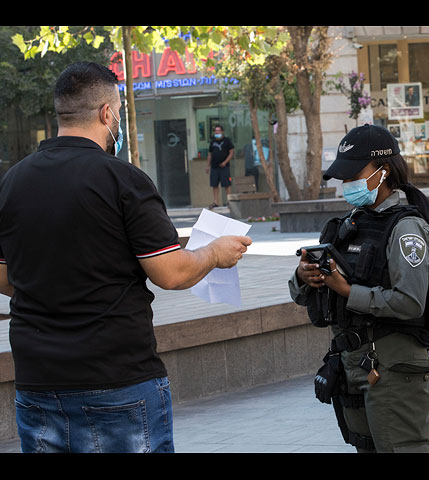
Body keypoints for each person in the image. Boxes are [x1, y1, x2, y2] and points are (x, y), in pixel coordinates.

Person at [0, 62, 251, 453]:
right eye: (118, 111)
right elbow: (170, 272)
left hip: (37, 383)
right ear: (107, 113)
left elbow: (4, 277)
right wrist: (214, 253)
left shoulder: (13, 181)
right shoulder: (122, 179)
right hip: (116, 382)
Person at [288, 124, 429, 453]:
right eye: (343, 178)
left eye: (353, 176)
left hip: (393, 365)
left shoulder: (407, 227)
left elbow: (410, 303)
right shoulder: (346, 226)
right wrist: (304, 278)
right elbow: (308, 296)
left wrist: (348, 291)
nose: (347, 186)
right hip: (351, 361)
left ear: (383, 171)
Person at [206, 125, 234, 209]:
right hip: (214, 166)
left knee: (226, 184)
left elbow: (231, 152)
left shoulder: (227, 141)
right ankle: (215, 201)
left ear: (222, 132)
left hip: (224, 166)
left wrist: (225, 162)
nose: (217, 132)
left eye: (218, 130)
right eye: (215, 131)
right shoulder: (213, 142)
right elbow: (210, 154)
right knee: (214, 184)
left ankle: (229, 201)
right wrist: (208, 165)